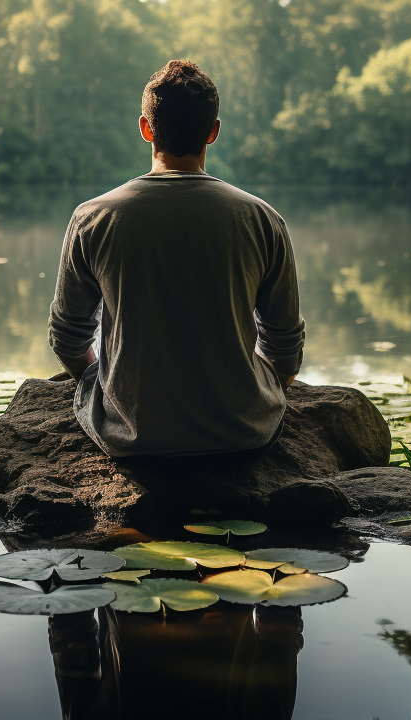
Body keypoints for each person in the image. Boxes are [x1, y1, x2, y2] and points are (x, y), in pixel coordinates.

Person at [48, 59, 304, 457]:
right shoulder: (262, 219)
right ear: (213, 132)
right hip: (240, 433)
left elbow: (67, 338)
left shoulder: (93, 217)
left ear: (146, 128)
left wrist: (107, 385)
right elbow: (285, 349)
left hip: (131, 436)